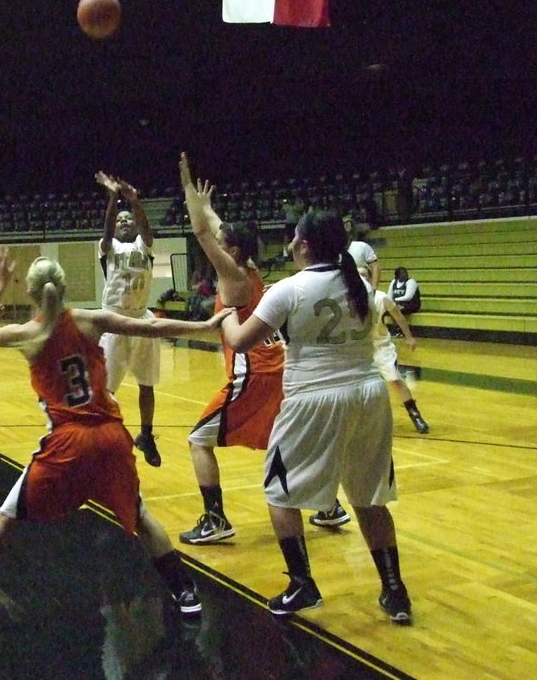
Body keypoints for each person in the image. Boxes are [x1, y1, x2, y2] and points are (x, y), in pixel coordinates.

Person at [0, 248, 230, 625]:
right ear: (64, 287)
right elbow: (154, 327)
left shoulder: (31, 334)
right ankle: (184, 591)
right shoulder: (91, 320)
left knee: (5, 519)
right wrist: (205, 326)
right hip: (110, 437)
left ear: (30, 293)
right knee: (140, 515)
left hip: (68, 443)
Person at [217, 210, 413, 625]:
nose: (289, 243)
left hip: (314, 397)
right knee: (369, 495)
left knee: (278, 492)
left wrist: (229, 310)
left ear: (303, 245)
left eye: (293, 238)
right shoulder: (357, 283)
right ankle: (395, 591)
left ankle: (302, 583)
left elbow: (239, 340)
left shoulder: (288, 289)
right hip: (368, 393)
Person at [177, 153, 285, 544]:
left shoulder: (232, 274)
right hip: (276, 364)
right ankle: (327, 504)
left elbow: (204, 234)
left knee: (198, 440)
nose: (219, 245)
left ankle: (216, 519)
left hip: (250, 370)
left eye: (225, 245)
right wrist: (208, 207)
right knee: (281, 439)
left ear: (232, 252)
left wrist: (188, 187)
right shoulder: (250, 262)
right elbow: (219, 229)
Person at [309, 266, 431, 528]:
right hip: (358, 351)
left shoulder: (379, 297)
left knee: (395, 380)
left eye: (366, 274)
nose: (363, 278)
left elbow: (397, 314)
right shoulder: (344, 297)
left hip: (381, 347)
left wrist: (408, 336)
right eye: (359, 274)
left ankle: (416, 416)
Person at [96, 171, 162, 466]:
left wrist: (135, 202)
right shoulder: (109, 247)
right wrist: (113, 197)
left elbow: (147, 232)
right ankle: (103, 436)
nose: (124, 222)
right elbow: (108, 230)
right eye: (120, 219)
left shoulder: (143, 246)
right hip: (114, 319)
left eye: (128, 219)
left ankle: (146, 434)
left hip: (141, 319)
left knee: (147, 383)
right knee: (108, 389)